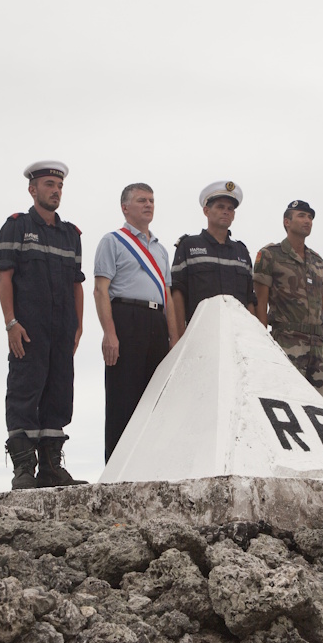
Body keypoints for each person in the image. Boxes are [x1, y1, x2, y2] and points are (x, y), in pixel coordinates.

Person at [0, 160, 87, 489]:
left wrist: (78, 326)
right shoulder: (16, 227)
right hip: (28, 328)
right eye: (49, 185)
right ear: (33, 190)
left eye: (59, 186)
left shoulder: (70, 234)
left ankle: (51, 468)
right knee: (24, 391)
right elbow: (4, 275)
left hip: (62, 329)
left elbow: (77, 283)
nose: (55, 191)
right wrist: (11, 323)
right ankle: (24, 470)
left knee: (60, 393)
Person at [93, 183, 179, 462]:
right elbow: (100, 290)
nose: (149, 205)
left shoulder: (161, 250)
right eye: (142, 200)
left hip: (156, 321)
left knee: (155, 398)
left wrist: (174, 340)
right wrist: (110, 334)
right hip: (126, 319)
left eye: (152, 200)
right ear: (125, 207)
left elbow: (167, 296)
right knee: (123, 397)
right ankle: (117, 467)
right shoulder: (113, 241)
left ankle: (149, 465)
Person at [253, 199, 323, 395]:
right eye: (301, 216)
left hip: (316, 348)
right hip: (285, 343)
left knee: (315, 408)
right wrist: (262, 345)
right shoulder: (270, 255)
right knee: (287, 399)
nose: (308, 220)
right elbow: (260, 304)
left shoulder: (317, 261)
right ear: (287, 222)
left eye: (310, 217)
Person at [171, 181, 256, 338]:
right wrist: (180, 336)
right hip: (200, 334)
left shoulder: (241, 252)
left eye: (230, 209)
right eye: (220, 207)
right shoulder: (189, 246)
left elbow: (250, 298)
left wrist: (254, 336)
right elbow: (177, 292)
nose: (226, 212)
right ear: (206, 211)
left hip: (238, 336)